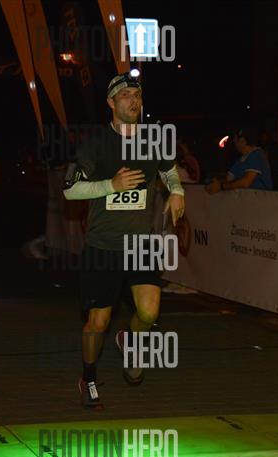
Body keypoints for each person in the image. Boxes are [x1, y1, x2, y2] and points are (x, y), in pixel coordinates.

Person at [63, 70, 185, 410]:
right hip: (103, 246)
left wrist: (176, 190)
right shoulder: (95, 143)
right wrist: (110, 186)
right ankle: (88, 377)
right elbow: (70, 190)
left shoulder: (154, 140)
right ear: (111, 103)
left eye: (137, 95)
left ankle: (130, 342)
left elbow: (169, 171)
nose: (134, 101)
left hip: (141, 244)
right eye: (126, 96)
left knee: (149, 311)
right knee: (98, 322)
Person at [205, 129, 272, 193]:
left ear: (243, 141)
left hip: (261, 199)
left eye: (235, 139)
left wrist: (221, 186)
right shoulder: (241, 159)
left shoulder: (257, 155)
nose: (234, 142)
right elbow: (228, 178)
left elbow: (245, 183)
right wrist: (216, 183)